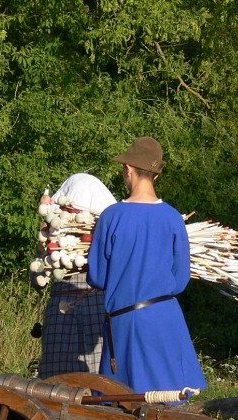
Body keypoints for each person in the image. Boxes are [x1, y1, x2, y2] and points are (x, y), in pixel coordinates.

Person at [87, 136, 207, 395]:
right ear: (155, 175)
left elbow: (97, 276)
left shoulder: (112, 217)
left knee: (121, 400)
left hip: (126, 322)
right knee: (167, 399)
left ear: (129, 169)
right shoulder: (173, 218)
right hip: (165, 318)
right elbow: (180, 279)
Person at [36, 174, 116, 380]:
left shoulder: (60, 233)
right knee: (95, 375)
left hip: (68, 306)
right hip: (93, 305)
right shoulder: (102, 233)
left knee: (59, 379)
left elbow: (38, 278)